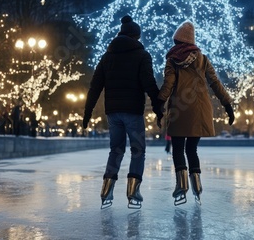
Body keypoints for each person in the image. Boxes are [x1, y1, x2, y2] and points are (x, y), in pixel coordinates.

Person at [82, 15, 163, 209]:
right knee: (138, 150)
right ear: (136, 36)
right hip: (133, 111)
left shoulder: (107, 56)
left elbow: (95, 86)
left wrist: (87, 112)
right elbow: (149, 84)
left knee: (116, 150)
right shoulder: (142, 55)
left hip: (113, 112)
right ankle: (133, 191)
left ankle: (106, 191)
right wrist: (159, 108)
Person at [156, 20, 235, 206]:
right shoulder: (203, 59)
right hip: (200, 110)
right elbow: (215, 83)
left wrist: (159, 104)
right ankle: (197, 187)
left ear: (177, 40)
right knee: (192, 149)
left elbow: (168, 84)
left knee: (178, 149)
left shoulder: (172, 59)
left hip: (179, 109)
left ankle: (182, 185)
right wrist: (227, 105)